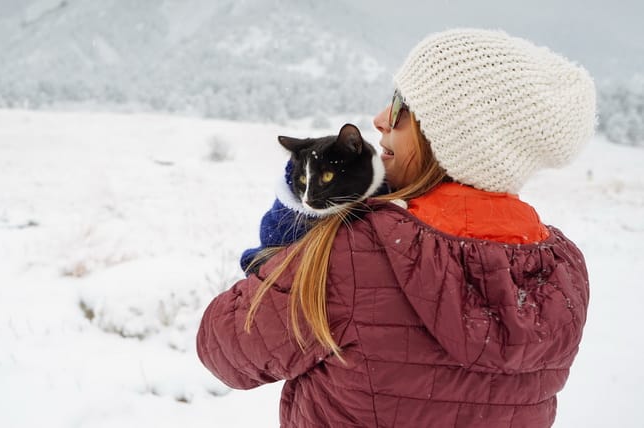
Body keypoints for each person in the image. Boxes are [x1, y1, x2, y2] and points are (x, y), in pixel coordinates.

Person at [196, 28, 596, 427]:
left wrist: (291, 220)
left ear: (453, 137)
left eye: (402, 105)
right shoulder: (562, 270)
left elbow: (224, 347)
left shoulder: (359, 251)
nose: (381, 118)